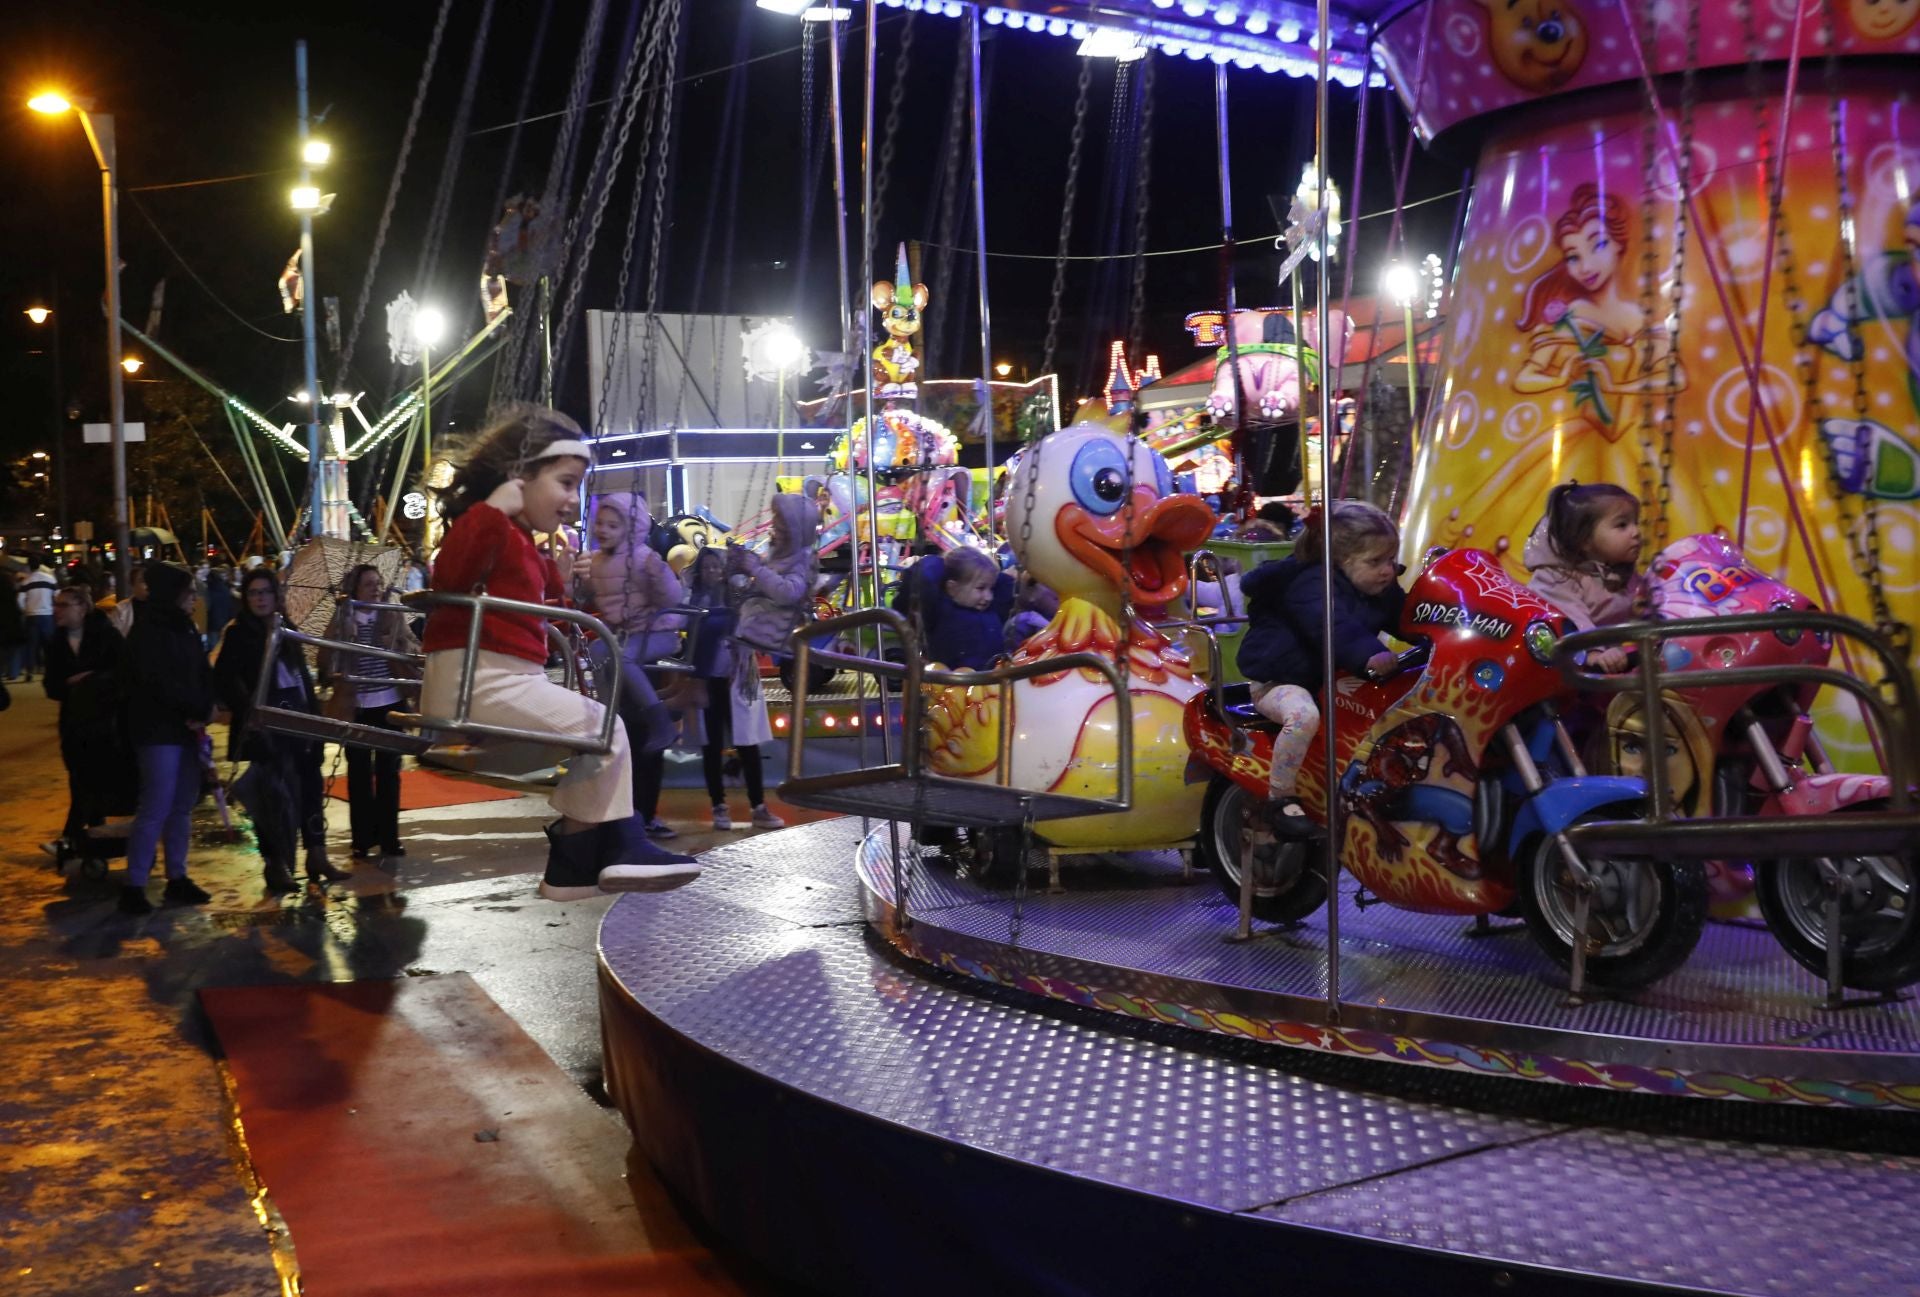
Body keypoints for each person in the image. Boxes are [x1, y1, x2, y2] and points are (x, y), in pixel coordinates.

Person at [418, 404, 698, 901]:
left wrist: (560, 581)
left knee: (599, 735)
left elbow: (546, 606)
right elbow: (452, 575)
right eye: (565, 483)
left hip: (510, 677)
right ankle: (620, 845)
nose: (572, 500)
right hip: (477, 679)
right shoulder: (486, 524)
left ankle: (570, 871)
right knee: (604, 728)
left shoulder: (520, 538)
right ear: (519, 476)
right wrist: (493, 509)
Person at [1237, 501, 1407, 837]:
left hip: (1327, 677)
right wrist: (1370, 654)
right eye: (1376, 562)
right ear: (1341, 561)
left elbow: (1407, 617)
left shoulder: (1377, 588)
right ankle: (1280, 798)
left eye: (1390, 560)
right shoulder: (1312, 584)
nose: (1388, 570)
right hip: (1281, 680)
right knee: (1304, 717)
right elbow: (1332, 625)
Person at [217, 568, 348, 894]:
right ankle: (276, 864)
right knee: (272, 795)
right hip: (265, 723)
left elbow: (302, 675)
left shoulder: (287, 628)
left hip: (298, 719)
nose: (260, 598)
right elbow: (226, 679)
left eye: (265, 592)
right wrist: (252, 712)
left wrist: (315, 718)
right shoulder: (238, 633)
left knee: (310, 789)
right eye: (253, 593)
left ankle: (316, 854)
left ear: (276, 596)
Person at [575, 493, 685, 838]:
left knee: (642, 738)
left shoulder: (644, 558)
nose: (603, 530)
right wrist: (574, 576)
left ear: (630, 528)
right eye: (600, 524)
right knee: (597, 649)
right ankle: (607, 714)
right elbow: (584, 596)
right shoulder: (597, 561)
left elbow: (672, 598)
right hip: (626, 640)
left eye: (613, 524)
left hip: (656, 637)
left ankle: (658, 720)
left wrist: (658, 573)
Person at [116, 562, 217, 915]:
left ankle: (177, 876)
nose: (194, 599)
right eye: (188, 592)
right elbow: (155, 683)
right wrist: (192, 708)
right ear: (171, 594)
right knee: (156, 805)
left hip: (186, 729)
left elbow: (201, 672)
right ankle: (135, 884)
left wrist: (204, 709)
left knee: (181, 806)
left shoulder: (184, 628)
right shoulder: (147, 632)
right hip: (158, 730)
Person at [322, 564, 418, 859]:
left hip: (390, 703)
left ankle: (390, 837)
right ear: (354, 589)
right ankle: (362, 839)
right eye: (368, 585)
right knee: (360, 774)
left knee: (390, 772)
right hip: (357, 707)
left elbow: (412, 647)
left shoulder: (392, 614)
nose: (375, 589)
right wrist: (344, 639)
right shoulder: (342, 618)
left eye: (378, 584)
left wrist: (395, 640)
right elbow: (325, 663)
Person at [42, 585, 132, 858]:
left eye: (63, 605)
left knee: (88, 782)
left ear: (82, 608)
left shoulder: (106, 635)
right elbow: (51, 686)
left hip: (105, 722)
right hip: (73, 723)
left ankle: (73, 838)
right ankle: (93, 841)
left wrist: (93, 681)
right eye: (56, 605)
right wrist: (70, 682)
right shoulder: (56, 642)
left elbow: (124, 673)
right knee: (81, 779)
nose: (56, 610)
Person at [1523, 481, 1646, 673]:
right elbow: (1570, 620)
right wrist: (1593, 653)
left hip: (1601, 660)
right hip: (1558, 664)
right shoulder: (1556, 577)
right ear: (1585, 540)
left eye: (1636, 523)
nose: (1636, 532)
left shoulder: (1619, 572)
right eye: (1622, 525)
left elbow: (1640, 609)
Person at [912, 546, 1013, 671]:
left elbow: (1007, 584)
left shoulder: (990, 609)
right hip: (955, 685)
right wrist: (945, 562)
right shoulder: (941, 612)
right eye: (981, 588)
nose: (989, 597)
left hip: (990, 681)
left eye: (991, 588)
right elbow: (927, 574)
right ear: (952, 588)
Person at [17, 556, 58, 681]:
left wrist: (26, 609)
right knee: (49, 645)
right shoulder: (50, 579)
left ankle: (29, 672)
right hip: (48, 616)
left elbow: (19, 600)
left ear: (29, 566)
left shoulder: (26, 581)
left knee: (31, 645)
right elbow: (57, 596)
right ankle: (50, 670)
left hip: (31, 616)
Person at [108, 562, 148, 636]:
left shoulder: (163, 608)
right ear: (132, 585)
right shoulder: (120, 609)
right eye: (142, 581)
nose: (148, 585)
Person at [203, 563, 235, 649]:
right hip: (224, 623)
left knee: (212, 647)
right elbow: (229, 607)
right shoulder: (225, 589)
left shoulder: (208, 590)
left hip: (212, 624)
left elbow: (208, 607)